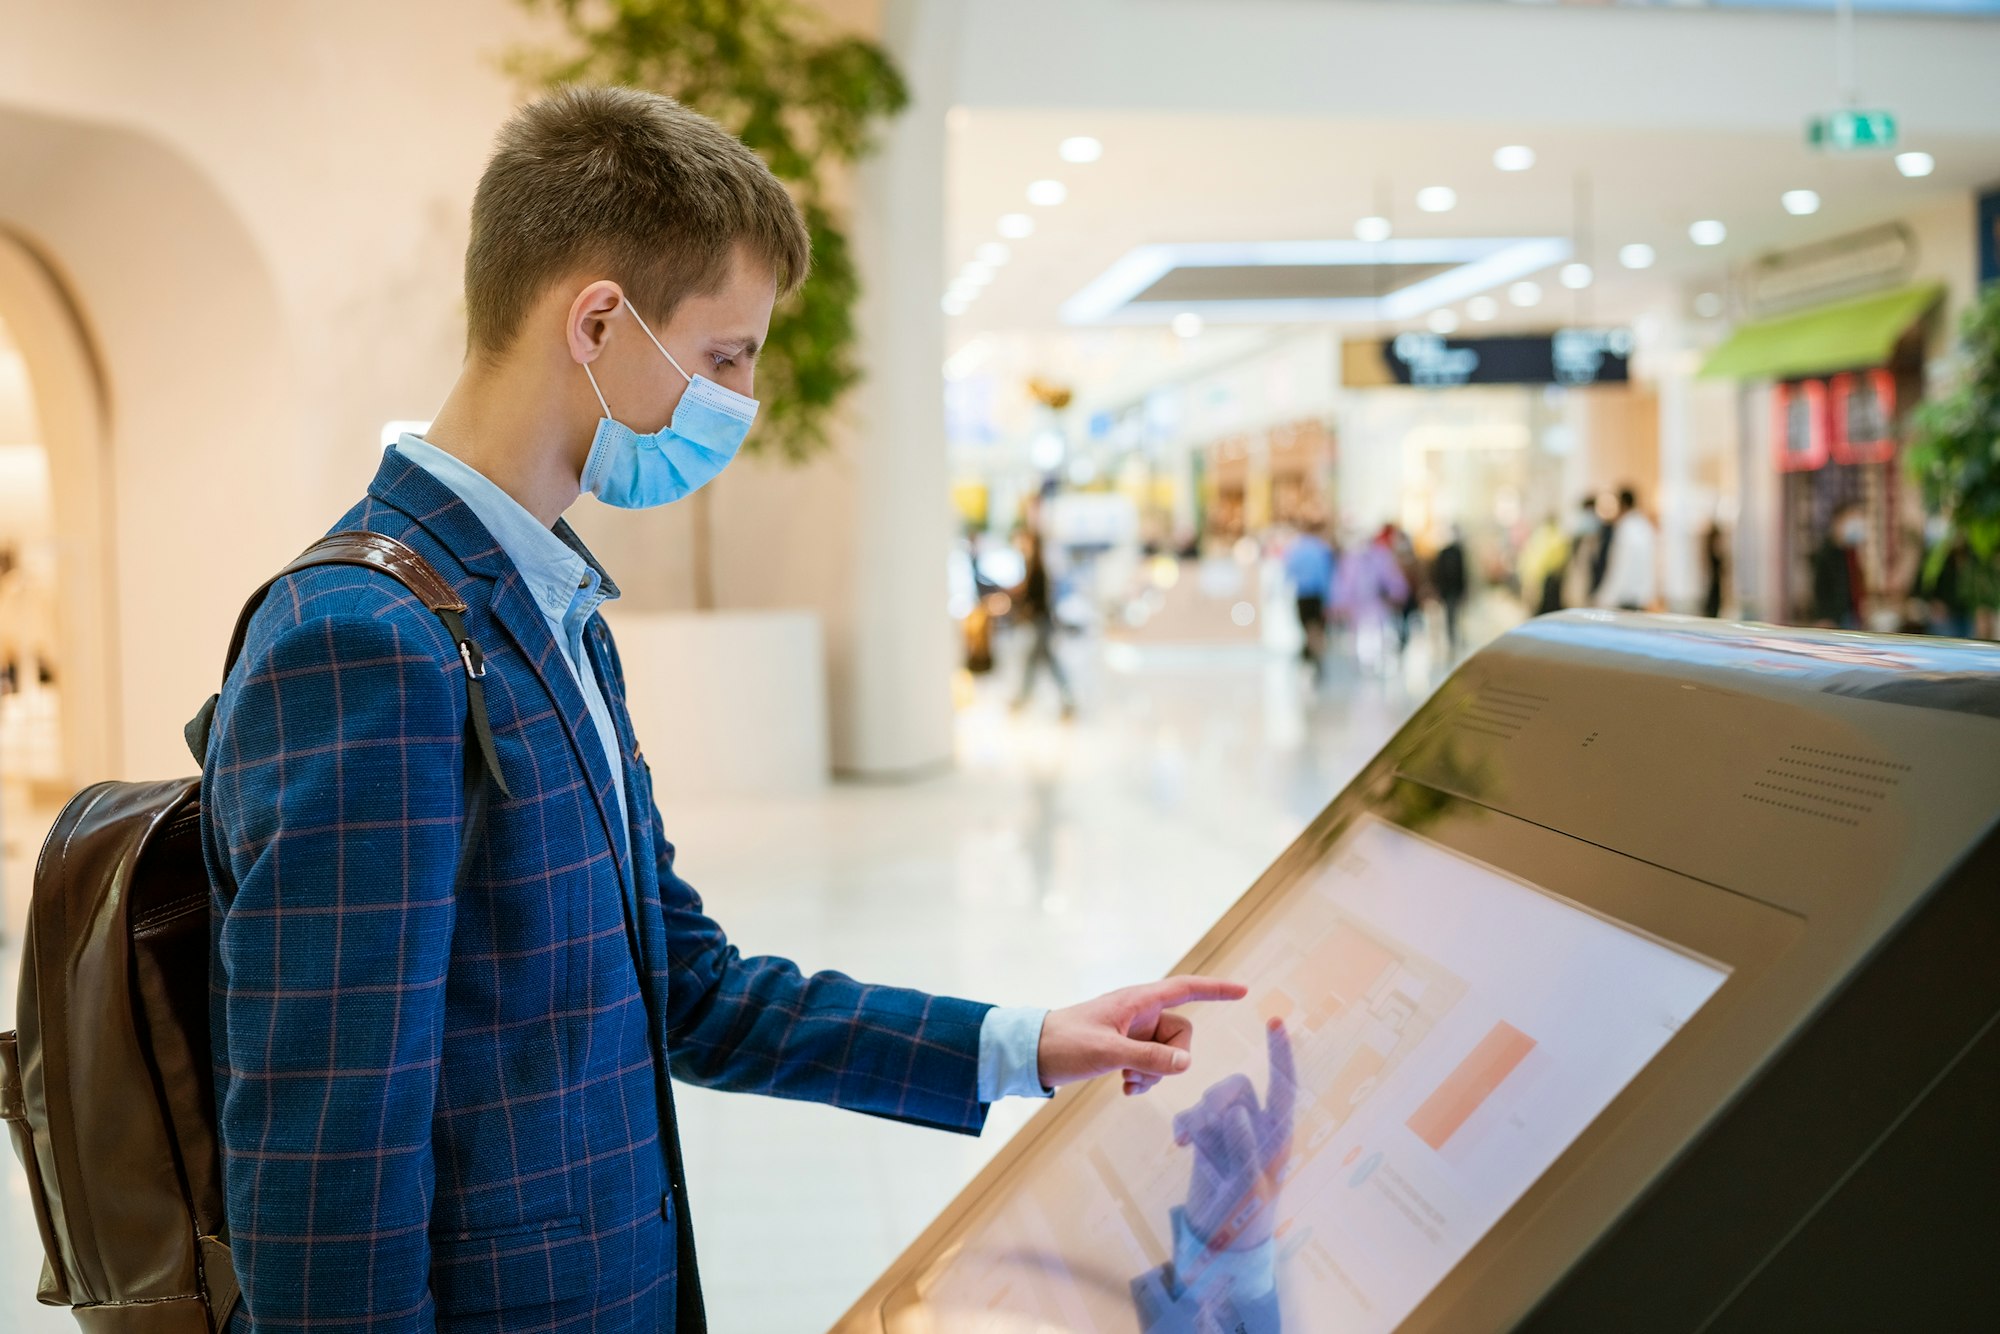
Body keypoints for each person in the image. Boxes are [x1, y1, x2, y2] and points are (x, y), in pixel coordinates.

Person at [198, 87, 1241, 1333]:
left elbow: (686, 983)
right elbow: (325, 1172)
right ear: (597, 321)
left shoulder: (547, 606)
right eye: (725, 356)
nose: (739, 401)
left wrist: (1023, 1041)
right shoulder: (361, 642)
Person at [1011, 525, 1075, 717]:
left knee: (1040, 662)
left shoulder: (1037, 568)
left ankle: (1026, 699)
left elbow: (1038, 599)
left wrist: (1025, 608)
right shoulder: (1034, 565)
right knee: (1042, 662)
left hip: (1041, 623)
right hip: (1040, 622)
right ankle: (1026, 698)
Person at [1336, 525, 1411, 669]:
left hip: (1376, 604)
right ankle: (1366, 662)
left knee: (1378, 632)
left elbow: (1391, 578)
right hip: (1359, 606)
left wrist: (1397, 593)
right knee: (1362, 634)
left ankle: (1376, 661)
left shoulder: (1380, 558)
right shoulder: (1351, 560)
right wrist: (1341, 603)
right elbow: (1345, 584)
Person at [1282, 524, 1336, 677]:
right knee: (1315, 627)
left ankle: (1310, 656)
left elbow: (1288, 572)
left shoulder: (1296, 550)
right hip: (1317, 595)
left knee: (1308, 626)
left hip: (1302, 594)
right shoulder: (1320, 549)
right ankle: (1313, 656)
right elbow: (1326, 575)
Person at [1593, 486, 1659, 612]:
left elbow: (1621, 565)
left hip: (1625, 596)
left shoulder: (1626, 529)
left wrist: (1607, 596)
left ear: (1621, 505)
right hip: (1641, 596)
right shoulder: (1644, 526)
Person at [1809, 503, 1868, 629]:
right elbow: (1820, 591)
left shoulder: (1849, 553)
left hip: (1850, 617)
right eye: (1852, 519)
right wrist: (1824, 618)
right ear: (1838, 521)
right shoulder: (1825, 554)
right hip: (1833, 621)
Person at [1517, 513, 1569, 616]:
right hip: (1549, 580)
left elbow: (1529, 558)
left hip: (1538, 579)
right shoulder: (1559, 537)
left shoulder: (1539, 536)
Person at [1430, 525, 1469, 656]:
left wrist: (1463, 590)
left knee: (1456, 616)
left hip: (1455, 590)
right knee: (1450, 617)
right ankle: (1452, 641)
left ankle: (1457, 640)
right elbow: (1438, 573)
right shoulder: (1443, 554)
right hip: (1447, 591)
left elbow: (1463, 573)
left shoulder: (1458, 552)